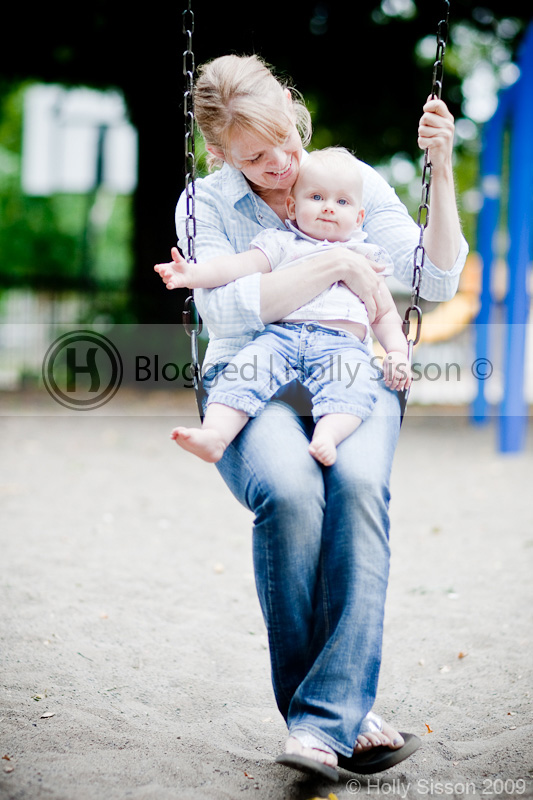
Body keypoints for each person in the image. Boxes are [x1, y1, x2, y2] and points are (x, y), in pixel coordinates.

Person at [157, 54, 468, 781]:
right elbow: (230, 308)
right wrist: (335, 267)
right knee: (292, 494)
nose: (277, 165)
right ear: (221, 153)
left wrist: (442, 170)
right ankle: (333, 719)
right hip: (249, 376)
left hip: (350, 373)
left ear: (293, 112)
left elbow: (434, 277)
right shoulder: (205, 204)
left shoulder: (344, 178)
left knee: (356, 491)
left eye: (282, 144)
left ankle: (319, 725)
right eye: (253, 156)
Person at [155, 147, 412, 467]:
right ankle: (215, 435)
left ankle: (328, 435)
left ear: (359, 216)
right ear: (292, 206)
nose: (329, 208)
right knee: (243, 372)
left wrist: (398, 354)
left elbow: (385, 313)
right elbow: (236, 266)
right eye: (316, 197)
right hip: (280, 339)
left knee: (355, 384)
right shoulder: (280, 242)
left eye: (342, 202)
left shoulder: (365, 258)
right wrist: (193, 273)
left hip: (343, 347)